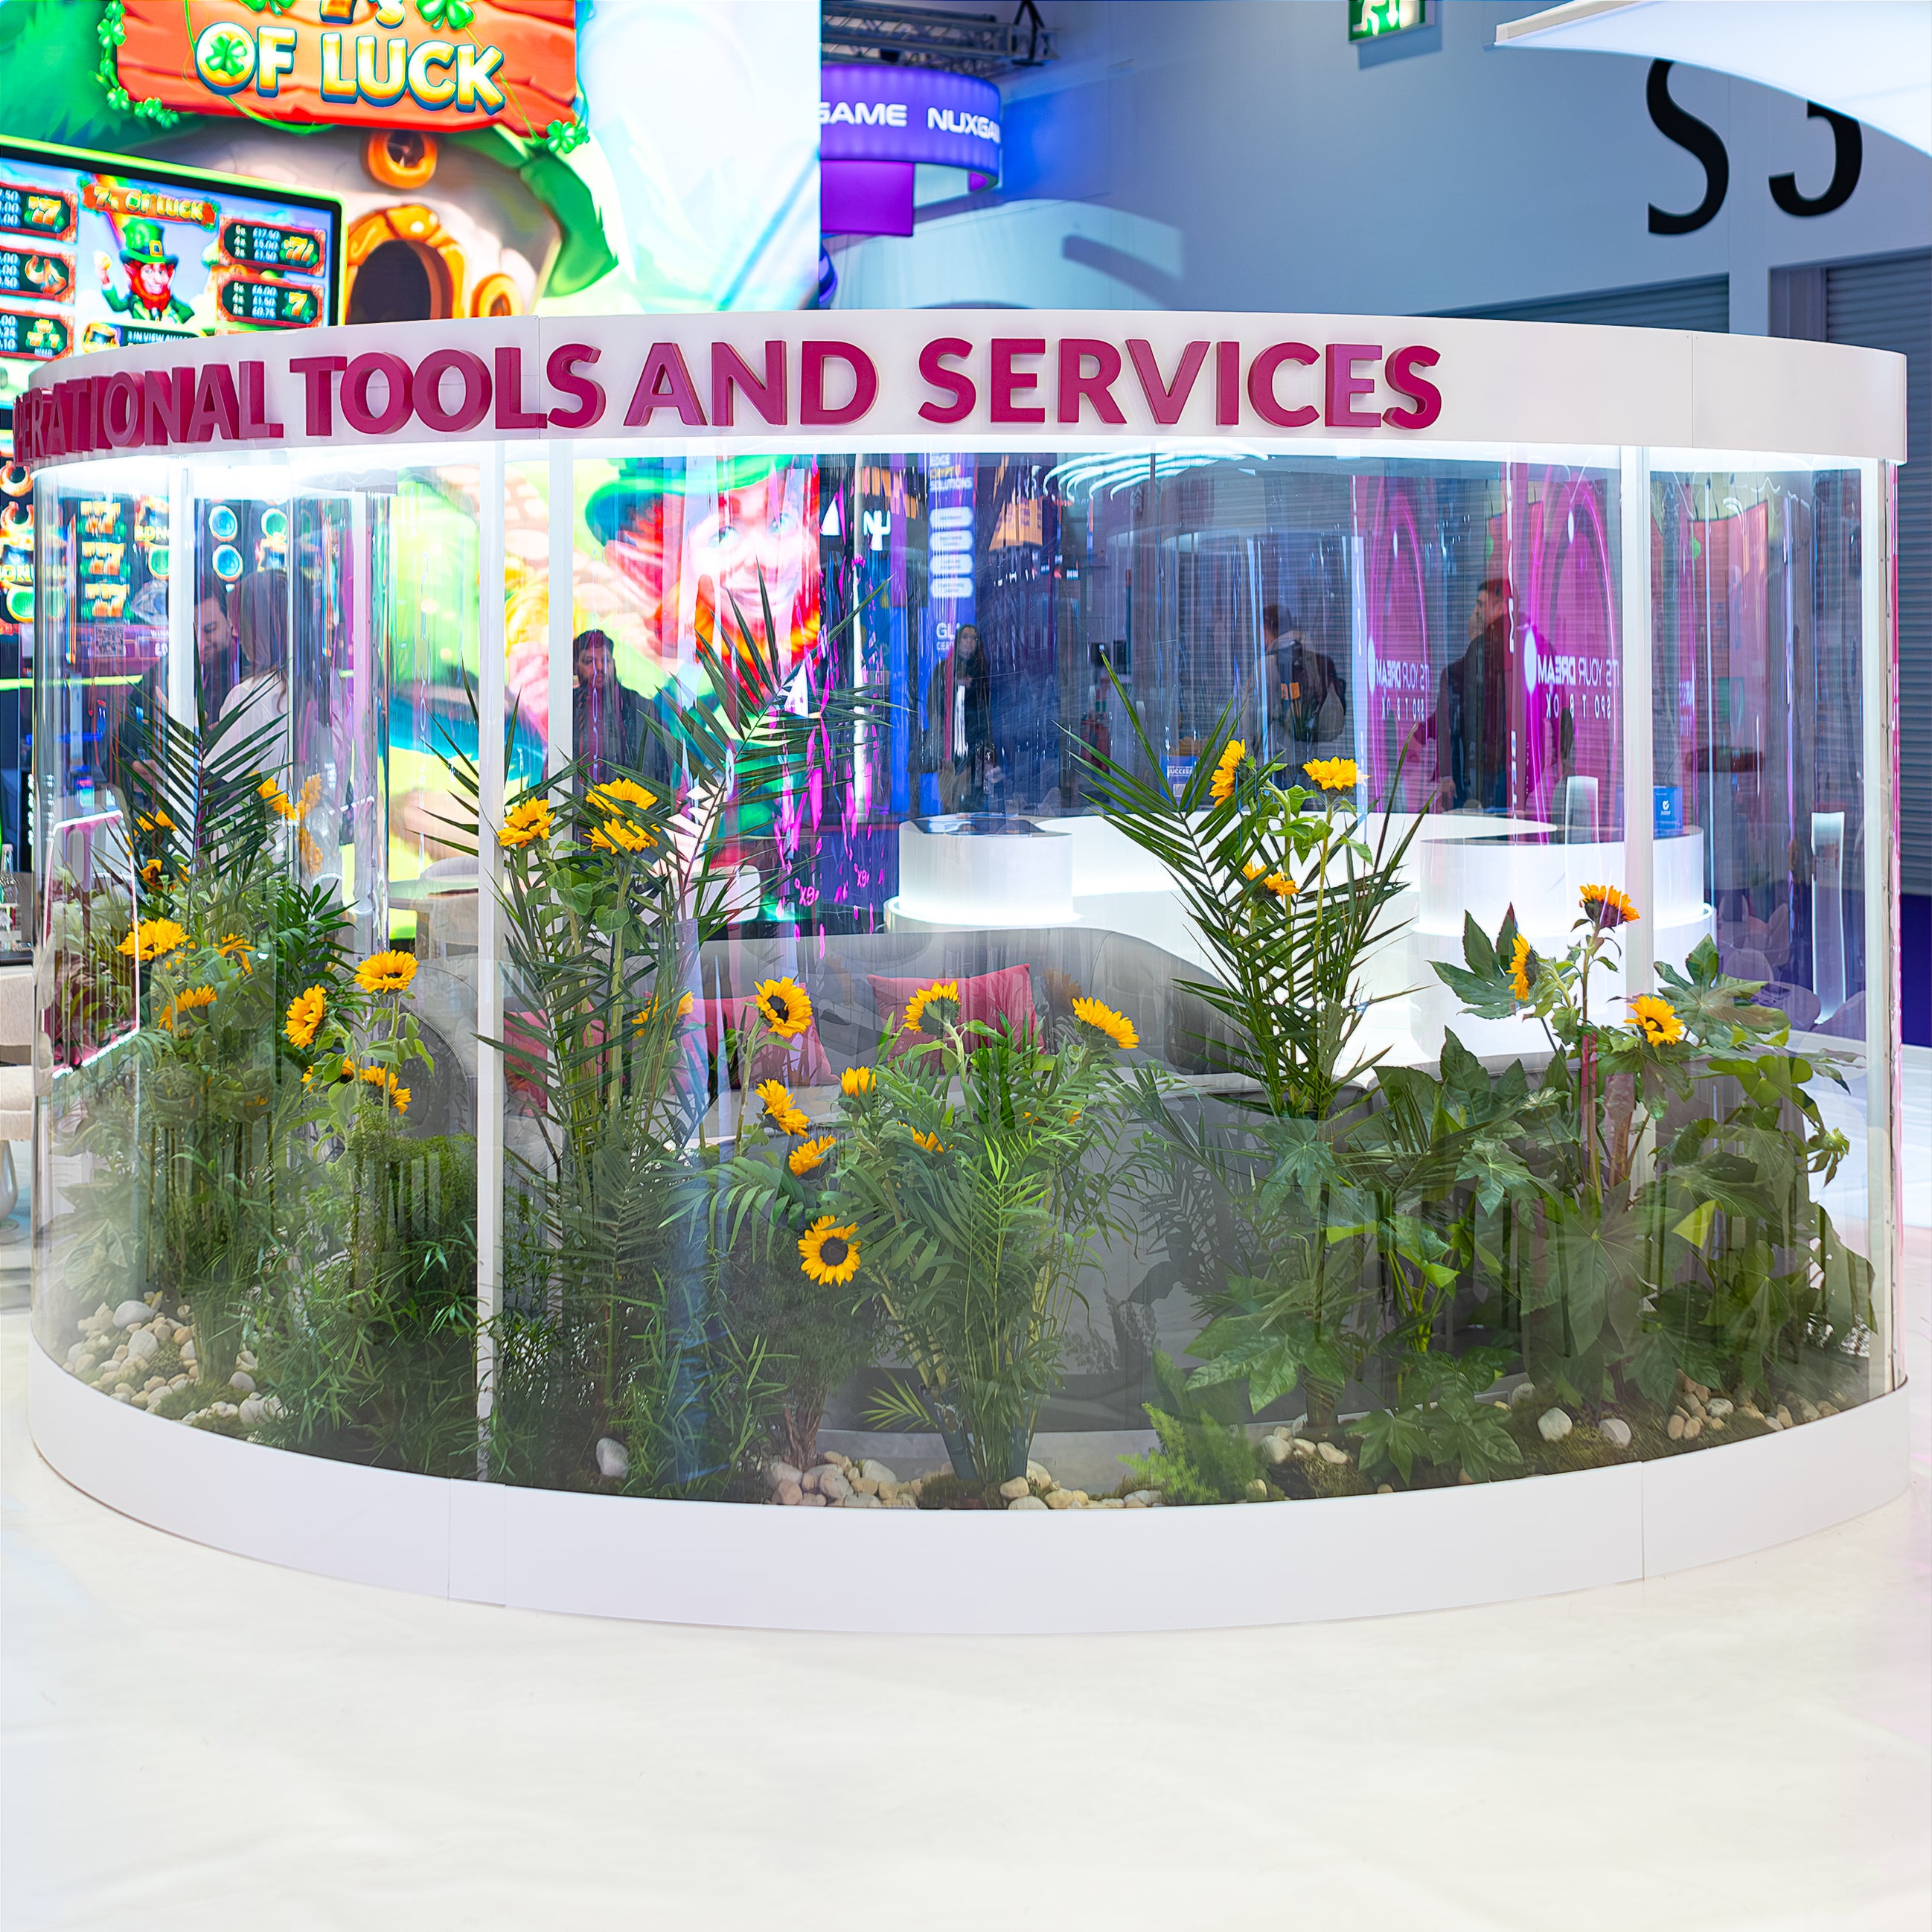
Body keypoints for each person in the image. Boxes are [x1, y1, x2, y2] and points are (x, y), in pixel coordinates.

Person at [1433, 578, 1514, 813]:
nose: (1475, 612)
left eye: (1480, 605)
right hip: (1485, 763)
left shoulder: (1493, 648)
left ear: (1500, 607)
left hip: (1491, 765)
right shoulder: (1494, 647)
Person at [573, 627, 675, 793]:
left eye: (605, 660)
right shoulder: (567, 710)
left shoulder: (641, 708)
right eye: (589, 661)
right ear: (576, 667)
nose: (600, 667)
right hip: (577, 814)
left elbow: (660, 771)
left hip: (630, 813)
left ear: (613, 662)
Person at [1264, 604, 1347, 749]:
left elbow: (1253, 723)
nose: (1263, 642)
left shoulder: (1267, 667)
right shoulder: (1323, 662)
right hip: (1321, 755)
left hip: (1277, 757)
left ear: (1268, 632)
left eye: (1263, 634)